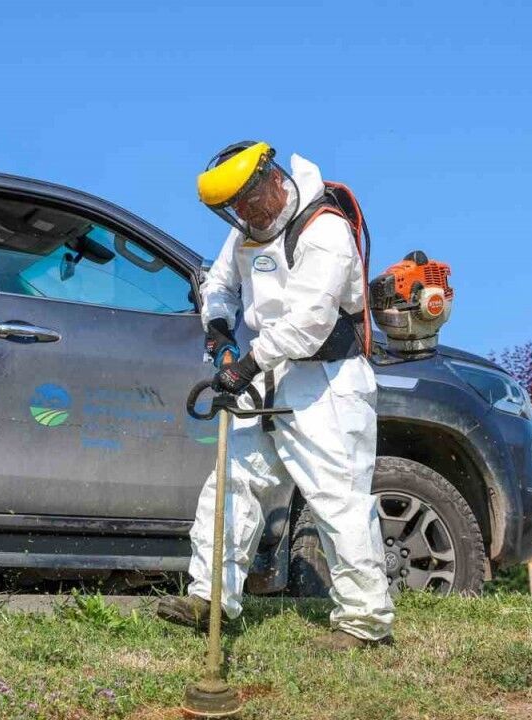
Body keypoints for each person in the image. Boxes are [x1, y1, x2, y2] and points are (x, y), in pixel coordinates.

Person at [156, 141, 394, 650]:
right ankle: (209, 598)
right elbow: (219, 286)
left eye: (248, 201)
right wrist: (219, 331)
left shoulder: (323, 228)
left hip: (325, 381)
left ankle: (364, 622)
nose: (244, 214)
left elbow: (309, 323)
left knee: (337, 499)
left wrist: (244, 367)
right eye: (234, 208)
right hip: (268, 373)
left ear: (272, 179)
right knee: (231, 484)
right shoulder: (246, 231)